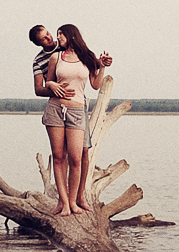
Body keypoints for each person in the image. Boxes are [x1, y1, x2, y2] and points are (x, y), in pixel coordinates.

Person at [41, 23, 108, 217]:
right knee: (58, 156)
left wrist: (101, 67)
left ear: (71, 36)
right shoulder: (56, 57)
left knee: (76, 158)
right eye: (57, 35)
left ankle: (73, 200)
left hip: (77, 111)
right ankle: (64, 203)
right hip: (55, 109)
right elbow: (48, 82)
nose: (58, 38)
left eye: (60, 34)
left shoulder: (86, 58)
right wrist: (52, 84)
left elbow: (95, 85)